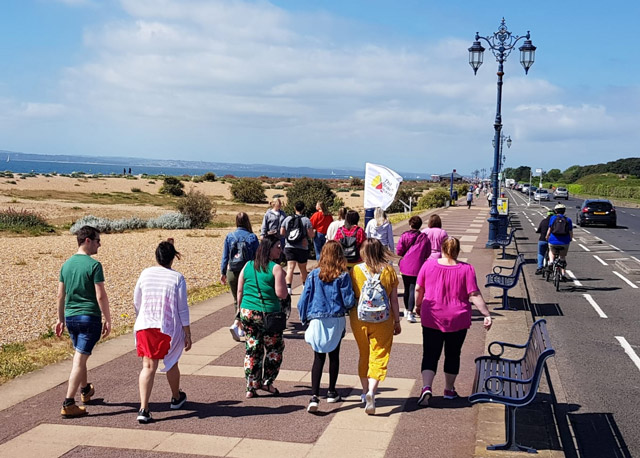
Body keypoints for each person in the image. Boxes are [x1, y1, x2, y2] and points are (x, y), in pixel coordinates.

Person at [414, 237, 492, 407]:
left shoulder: (428, 265)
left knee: (430, 353)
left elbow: (419, 288)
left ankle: (427, 386)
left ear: (442, 249)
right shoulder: (467, 269)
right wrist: (486, 314)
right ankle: (449, 389)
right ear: (457, 251)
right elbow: (474, 294)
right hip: (457, 318)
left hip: (432, 316)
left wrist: (418, 306)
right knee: (453, 353)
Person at [55, 225, 112, 418]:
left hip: (71, 318)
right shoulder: (94, 265)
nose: (100, 244)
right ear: (87, 240)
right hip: (89, 318)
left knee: (81, 354)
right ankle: (68, 402)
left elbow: (60, 295)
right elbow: (101, 296)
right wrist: (108, 319)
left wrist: (60, 319)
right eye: (97, 240)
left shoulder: (66, 265)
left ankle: (86, 390)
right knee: (79, 359)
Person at [134, 239, 191, 424]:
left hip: (145, 324)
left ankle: (144, 407)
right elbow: (182, 308)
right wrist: (187, 332)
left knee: (148, 366)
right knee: (171, 361)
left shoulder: (145, 273)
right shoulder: (177, 278)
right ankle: (175, 397)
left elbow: (137, 300)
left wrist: (140, 316)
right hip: (166, 326)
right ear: (172, 258)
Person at [297, 241, 355, 413]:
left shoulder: (314, 274)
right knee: (334, 356)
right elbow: (349, 301)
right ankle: (331, 391)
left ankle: (314, 396)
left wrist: (304, 319)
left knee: (318, 357)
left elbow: (303, 299)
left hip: (317, 317)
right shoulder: (343, 275)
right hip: (336, 318)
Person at [350, 238, 401, 415]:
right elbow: (394, 299)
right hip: (383, 319)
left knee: (364, 353)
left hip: (359, 318)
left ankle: (364, 393)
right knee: (379, 354)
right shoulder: (389, 271)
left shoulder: (356, 270)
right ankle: (372, 390)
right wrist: (397, 321)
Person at [236, 235, 289, 398]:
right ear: (269, 249)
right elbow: (281, 294)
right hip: (268, 315)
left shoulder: (248, 265)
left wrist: (238, 313)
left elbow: (240, 290)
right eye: (278, 247)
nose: (280, 250)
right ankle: (267, 382)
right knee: (274, 349)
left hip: (247, 312)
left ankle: (250, 386)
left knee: (252, 348)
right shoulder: (276, 268)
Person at [221, 212, 260, 341]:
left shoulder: (230, 236)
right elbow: (257, 256)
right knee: (247, 298)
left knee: (236, 299)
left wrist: (223, 272)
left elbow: (225, 256)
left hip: (233, 270)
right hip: (248, 271)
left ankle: (239, 325)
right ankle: (240, 325)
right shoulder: (252, 237)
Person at [396, 216, 431, 323]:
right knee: (413, 289)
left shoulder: (404, 236)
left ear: (410, 224)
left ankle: (407, 309)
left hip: (405, 265)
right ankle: (411, 312)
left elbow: (399, 251)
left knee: (406, 289)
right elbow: (428, 252)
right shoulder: (424, 238)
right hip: (418, 266)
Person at [280, 201, 314, 295]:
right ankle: (304, 287)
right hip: (302, 247)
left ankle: (288, 288)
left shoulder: (288, 219)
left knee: (290, 267)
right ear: (303, 209)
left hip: (290, 246)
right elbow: (311, 234)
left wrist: (289, 237)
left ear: (294, 208)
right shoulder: (306, 220)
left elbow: (282, 232)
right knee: (303, 268)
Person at [546, 203, 573, 281]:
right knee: (562, 256)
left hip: (553, 241)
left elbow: (549, 229)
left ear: (556, 211)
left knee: (551, 251)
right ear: (564, 211)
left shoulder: (553, 218)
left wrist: (547, 237)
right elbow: (570, 231)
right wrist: (570, 238)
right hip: (565, 242)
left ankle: (551, 262)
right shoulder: (568, 220)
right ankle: (562, 270)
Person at [535, 209, 555, 275]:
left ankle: (539, 267)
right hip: (551, 241)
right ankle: (551, 265)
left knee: (540, 253)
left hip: (542, 240)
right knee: (552, 253)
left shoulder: (543, 221)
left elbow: (538, 230)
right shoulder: (554, 222)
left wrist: (539, 231)